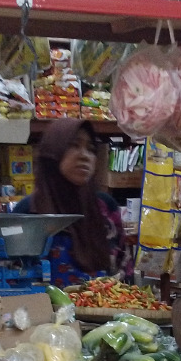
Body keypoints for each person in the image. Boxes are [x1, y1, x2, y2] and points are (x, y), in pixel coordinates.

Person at [13, 118, 125, 278]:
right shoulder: (28, 212)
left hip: (104, 302)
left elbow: (123, 272)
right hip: (42, 303)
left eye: (91, 148)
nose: (85, 156)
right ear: (53, 152)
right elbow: (13, 278)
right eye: (74, 145)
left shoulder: (105, 208)